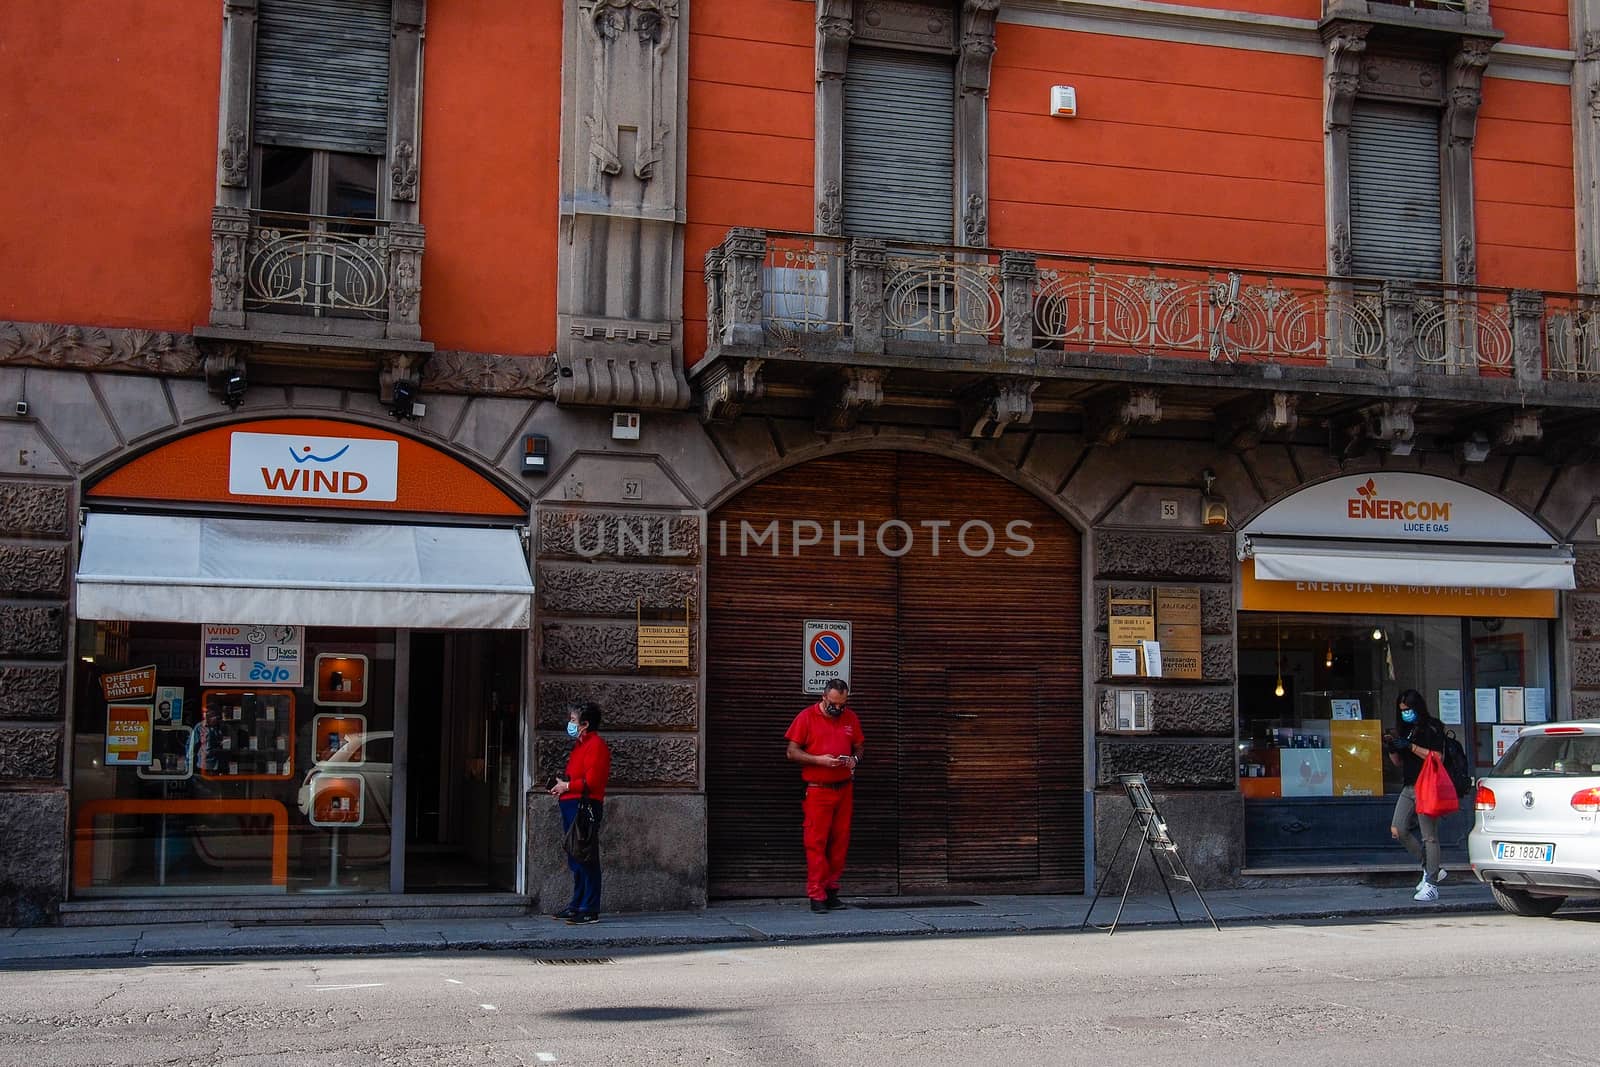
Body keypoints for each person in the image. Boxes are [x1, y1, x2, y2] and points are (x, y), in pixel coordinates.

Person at [785, 678, 865, 913]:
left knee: (840, 841)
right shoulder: (806, 717)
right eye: (833, 704)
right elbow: (792, 752)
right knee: (816, 842)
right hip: (818, 788)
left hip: (844, 787)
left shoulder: (850, 717)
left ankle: (831, 891)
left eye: (842, 704)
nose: (838, 709)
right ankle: (816, 895)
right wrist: (818, 760)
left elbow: (860, 745)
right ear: (823, 697)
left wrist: (855, 759)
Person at [548, 702, 611, 925]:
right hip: (571, 804)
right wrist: (561, 785)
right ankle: (577, 904)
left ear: (585, 724)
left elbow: (592, 782)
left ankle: (590, 907)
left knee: (586, 856)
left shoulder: (596, 746)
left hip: (584, 806)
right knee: (576, 856)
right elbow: (576, 777)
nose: (570, 724)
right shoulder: (580, 745)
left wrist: (568, 786)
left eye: (574, 721)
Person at [1388, 688, 1448, 902]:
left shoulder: (1432, 727)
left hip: (1427, 785)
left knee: (1429, 835)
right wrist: (1392, 748)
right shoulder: (1405, 729)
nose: (1405, 713)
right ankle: (1432, 868)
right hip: (1409, 785)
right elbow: (1399, 762)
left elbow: (1437, 757)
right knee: (1398, 828)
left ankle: (1432, 883)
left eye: (1408, 709)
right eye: (1402, 710)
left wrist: (1411, 746)